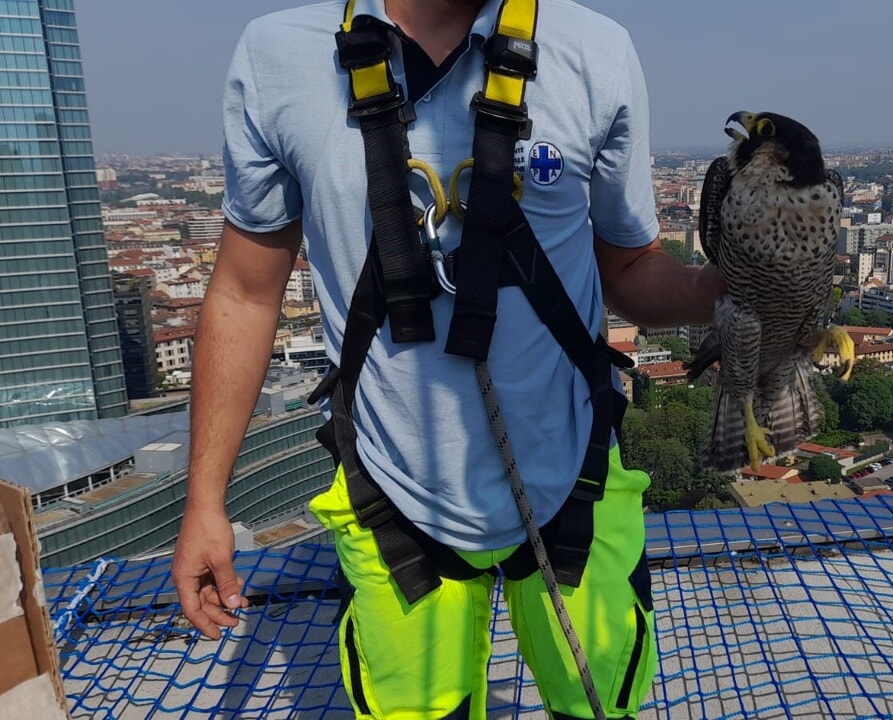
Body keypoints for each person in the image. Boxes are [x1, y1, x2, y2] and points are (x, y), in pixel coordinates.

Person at [169, 0, 726, 718]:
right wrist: (203, 503)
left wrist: (734, 294)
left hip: (570, 473)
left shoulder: (595, 52)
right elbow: (245, 294)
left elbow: (627, 269)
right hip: (392, 490)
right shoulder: (279, 58)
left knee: (597, 703)